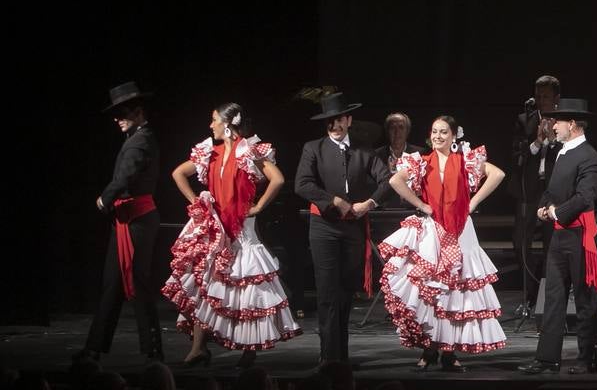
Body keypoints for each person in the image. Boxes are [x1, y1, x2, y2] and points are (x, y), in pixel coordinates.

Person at [162, 102, 299, 367]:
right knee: (207, 281)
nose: (210, 125)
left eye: (213, 120)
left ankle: (249, 347)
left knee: (245, 284)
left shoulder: (248, 150)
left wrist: (258, 207)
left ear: (226, 124)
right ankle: (199, 347)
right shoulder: (209, 152)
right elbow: (178, 173)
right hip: (215, 226)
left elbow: (278, 179)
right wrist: (197, 202)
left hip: (240, 228)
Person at [379, 114, 508, 371]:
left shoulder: (465, 161)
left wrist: (474, 201)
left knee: (455, 291)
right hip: (434, 230)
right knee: (433, 289)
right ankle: (431, 347)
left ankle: (449, 350)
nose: (438, 136)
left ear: (453, 136)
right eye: (434, 132)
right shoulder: (422, 162)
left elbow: (497, 174)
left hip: (461, 231)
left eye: (443, 132)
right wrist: (420, 204)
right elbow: (395, 180)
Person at [294, 92, 395, 365]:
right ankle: (328, 354)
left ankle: (341, 353)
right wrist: (332, 200)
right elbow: (302, 183)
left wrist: (370, 202)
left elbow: (388, 180)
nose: (334, 127)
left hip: (353, 229)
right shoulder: (313, 148)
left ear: (348, 120)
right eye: (329, 122)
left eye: (338, 120)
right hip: (324, 227)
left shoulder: (364, 150)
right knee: (327, 292)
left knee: (346, 291)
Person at [519, 99, 597, 375]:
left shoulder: (590, 157)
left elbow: (584, 197)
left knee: (584, 298)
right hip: (559, 236)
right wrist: (544, 209)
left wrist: (556, 213)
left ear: (572, 124)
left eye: (557, 122)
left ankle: (586, 359)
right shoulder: (563, 153)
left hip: (580, 235)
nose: (552, 126)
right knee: (554, 296)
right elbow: (552, 189)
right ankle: (547, 358)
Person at [84, 82, 163, 362]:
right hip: (128, 220)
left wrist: (104, 199)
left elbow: (125, 177)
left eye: (122, 113)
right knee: (113, 283)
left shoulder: (141, 140)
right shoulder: (137, 138)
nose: (117, 119)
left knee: (137, 282)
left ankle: (152, 348)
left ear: (139, 112)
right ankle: (94, 348)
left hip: (137, 220)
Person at [510, 75, 561, 311]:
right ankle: (529, 294)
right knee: (520, 242)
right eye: (539, 96)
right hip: (529, 190)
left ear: (556, 98)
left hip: (554, 191)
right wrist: (538, 142)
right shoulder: (525, 119)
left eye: (546, 97)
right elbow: (516, 156)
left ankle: (548, 296)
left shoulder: (565, 120)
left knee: (553, 243)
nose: (541, 101)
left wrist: (553, 141)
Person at [374, 112, 417, 211]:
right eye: (392, 128)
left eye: (401, 127)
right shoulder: (377, 155)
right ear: (387, 131)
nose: (397, 132)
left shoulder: (419, 153)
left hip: (412, 209)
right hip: (384, 210)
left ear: (408, 131)